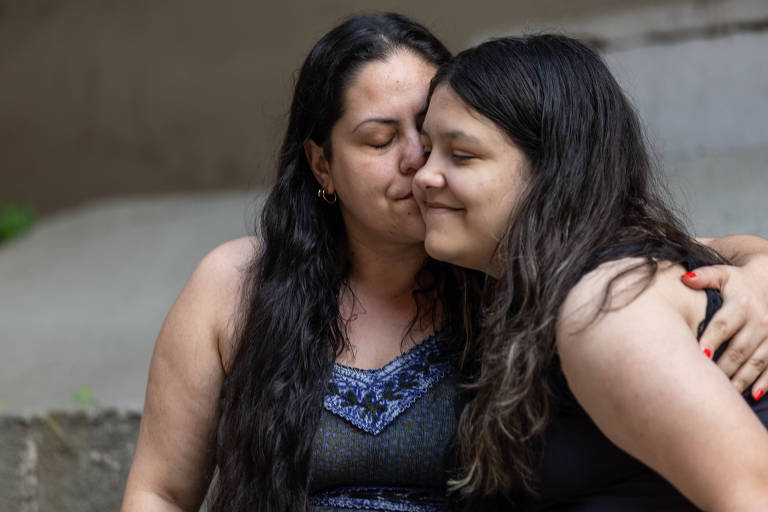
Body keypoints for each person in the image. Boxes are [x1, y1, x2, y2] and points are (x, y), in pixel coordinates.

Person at [121, 14, 768, 512]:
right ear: (323, 166)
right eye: (381, 139)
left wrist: (760, 273)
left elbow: (673, 258)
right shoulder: (238, 284)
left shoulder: (518, 273)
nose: (418, 166)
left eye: (440, 141)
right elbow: (159, 491)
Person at [413, 34, 768, 510]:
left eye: (461, 155)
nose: (423, 176)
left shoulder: (607, 306)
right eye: (427, 149)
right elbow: (717, 247)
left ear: (552, 171)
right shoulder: (592, 267)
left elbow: (753, 496)